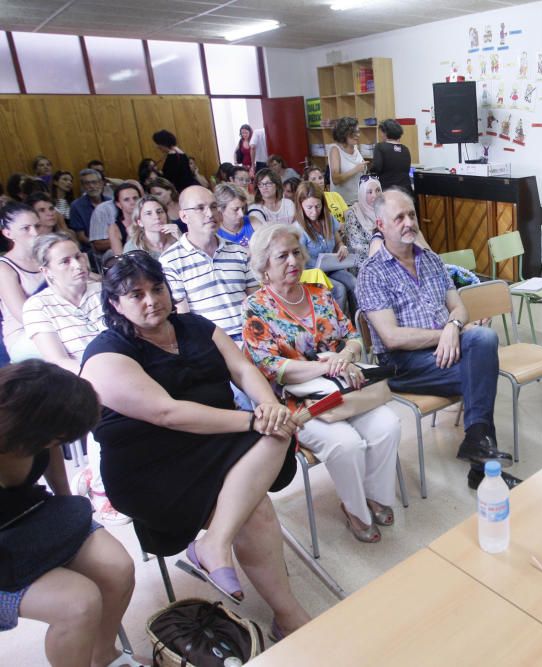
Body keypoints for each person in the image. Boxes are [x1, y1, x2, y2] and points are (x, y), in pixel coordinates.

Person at [79, 252, 310, 636]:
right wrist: (253, 419)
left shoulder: (196, 326)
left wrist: (269, 405)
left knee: (276, 435)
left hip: (215, 441)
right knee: (258, 503)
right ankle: (288, 616)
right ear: (115, 304)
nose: (151, 300)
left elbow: (242, 368)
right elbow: (167, 414)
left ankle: (215, 545)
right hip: (151, 466)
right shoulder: (105, 354)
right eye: (136, 294)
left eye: (157, 288)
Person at [243, 225, 401, 543]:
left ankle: (376, 495)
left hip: (344, 388)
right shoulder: (256, 307)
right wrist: (323, 366)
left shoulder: (319, 292)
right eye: (282, 256)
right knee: (346, 443)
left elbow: (352, 335)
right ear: (264, 266)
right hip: (298, 403)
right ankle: (355, 509)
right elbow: (271, 368)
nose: (293, 261)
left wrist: (346, 354)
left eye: (297, 252)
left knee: (389, 424)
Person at [357, 189, 519, 490]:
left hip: (444, 348)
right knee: (481, 371)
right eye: (399, 218)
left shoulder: (430, 259)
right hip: (403, 364)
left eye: (412, 215)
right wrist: (447, 333)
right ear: (381, 225)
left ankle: (477, 443)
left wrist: (452, 326)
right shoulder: (372, 273)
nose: (409, 223)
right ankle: (483, 467)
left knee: (483, 340)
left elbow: (458, 306)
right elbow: (391, 338)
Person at [0, 360, 141, 667]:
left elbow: (50, 454)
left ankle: (102, 656)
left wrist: (65, 505)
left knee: (118, 568)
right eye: (55, 438)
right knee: (77, 604)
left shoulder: (36, 429)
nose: (55, 444)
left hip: (28, 515)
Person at [22, 232, 129, 525]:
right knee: (102, 400)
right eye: (65, 261)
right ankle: (100, 489)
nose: (77, 264)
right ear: (46, 271)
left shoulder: (103, 292)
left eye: (79, 257)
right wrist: (99, 374)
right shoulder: (38, 306)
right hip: (74, 380)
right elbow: (56, 360)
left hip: (121, 368)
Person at [159, 186, 257, 343]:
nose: (210, 214)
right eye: (200, 208)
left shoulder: (239, 251)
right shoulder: (171, 260)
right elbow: (184, 318)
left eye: (213, 206)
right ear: (184, 216)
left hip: (251, 335)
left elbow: (255, 299)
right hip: (211, 342)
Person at [293, 182, 354, 314]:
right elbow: (298, 261)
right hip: (311, 274)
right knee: (338, 289)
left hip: (331, 268)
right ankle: (339, 326)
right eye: (309, 207)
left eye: (318, 206)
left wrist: (342, 246)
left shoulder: (328, 219)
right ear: (301, 205)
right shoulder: (298, 228)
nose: (314, 211)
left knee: (353, 282)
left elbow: (338, 241)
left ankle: (359, 323)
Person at [0, 202, 44, 362]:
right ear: (8, 233)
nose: (35, 233)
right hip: (24, 334)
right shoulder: (4, 268)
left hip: (59, 321)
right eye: (26, 228)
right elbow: (24, 317)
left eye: (37, 226)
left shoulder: (47, 255)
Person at [91, 182, 142, 258]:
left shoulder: (150, 219)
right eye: (126, 200)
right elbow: (121, 259)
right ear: (119, 204)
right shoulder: (114, 228)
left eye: (135, 198)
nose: (132, 202)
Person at [328, 117, 367, 205]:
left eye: (358, 131)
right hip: (342, 203)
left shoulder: (355, 147)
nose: (358, 135)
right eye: (354, 132)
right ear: (344, 134)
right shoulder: (335, 149)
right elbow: (335, 179)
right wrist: (356, 169)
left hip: (357, 200)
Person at [343, 177, 386, 258]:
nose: (375, 195)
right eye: (369, 192)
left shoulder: (386, 210)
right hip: (364, 262)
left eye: (378, 190)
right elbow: (357, 247)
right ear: (362, 194)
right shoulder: (353, 214)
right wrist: (385, 253)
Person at [68, 168, 108, 248]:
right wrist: (98, 246)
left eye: (94, 182)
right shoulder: (76, 206)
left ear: (101, 183)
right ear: (83, 186)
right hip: (91, 247)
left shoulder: (110, 202)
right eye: (87, 183)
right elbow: (81, 236)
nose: (91, 186)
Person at [371, 119, 412, 196]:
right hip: (406, 191)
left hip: (389, 191)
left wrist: (368, 170)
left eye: (381, 132)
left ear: (385, 133)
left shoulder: (380, 147)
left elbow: (377, 167)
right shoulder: (405, 149)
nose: (381, 135)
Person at [215, 183, 259, 248]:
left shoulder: (253, 221)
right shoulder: (214, 233)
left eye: (243, 208)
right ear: (220, 209)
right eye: (236, 209)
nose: (242, 214)